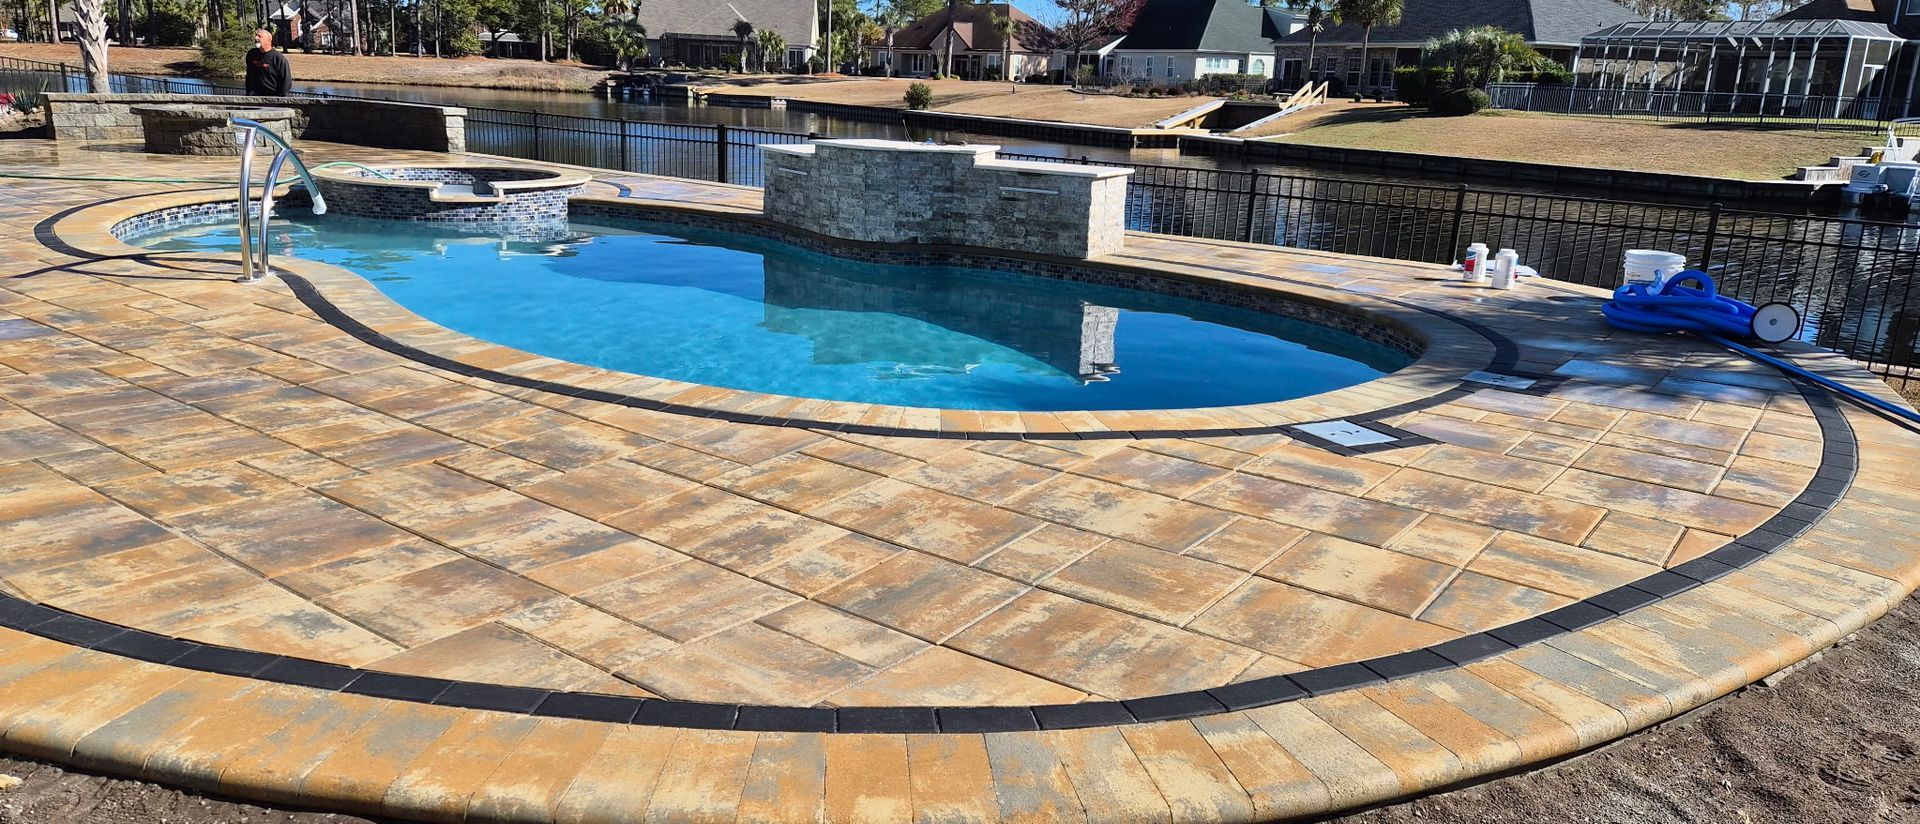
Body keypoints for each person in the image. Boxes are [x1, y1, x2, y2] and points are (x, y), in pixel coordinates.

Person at [245, 29, 291, 97]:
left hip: (273, 97)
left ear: (269, 40)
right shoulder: (252, 54)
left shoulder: (279, 59)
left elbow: (286, 81)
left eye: (259, 36)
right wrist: (248, 92)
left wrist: (280, 99)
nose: (256, 38)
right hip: (255, 96)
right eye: (256, 36)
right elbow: (249, 74)